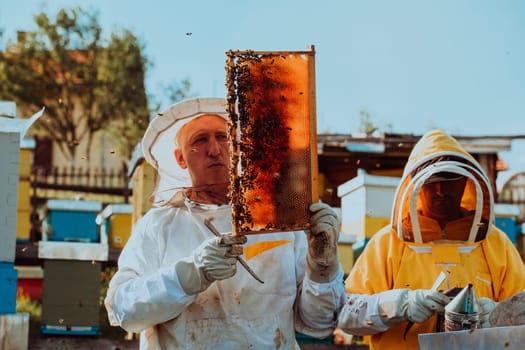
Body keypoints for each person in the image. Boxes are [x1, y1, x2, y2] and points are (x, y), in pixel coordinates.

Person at [104, 97, 345, 349]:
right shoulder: (157, 225)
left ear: (238, 149)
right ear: (180, 158)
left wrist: (322, 266)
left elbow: (318, 324)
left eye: (223, 137)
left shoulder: (279, 224)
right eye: (199, 140)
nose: (214, 150)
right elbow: (124, 310)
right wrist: (190, 275)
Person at [337, 130, 525, 349]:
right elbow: (345, 313)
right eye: (431, 182)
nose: (440, 191)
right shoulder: (387, 243)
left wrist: (499, 315)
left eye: (450, 182)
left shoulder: (495, 243)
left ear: (466, 183)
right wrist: (399, 305)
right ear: (415, 187)